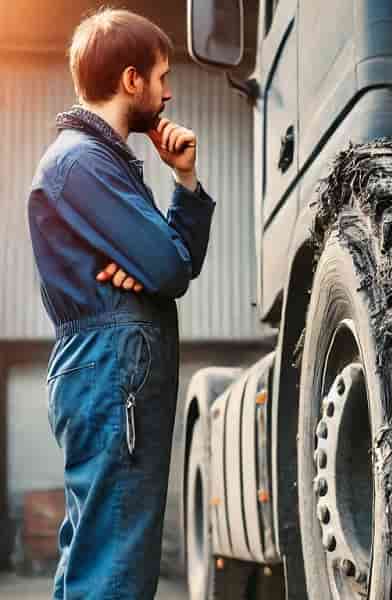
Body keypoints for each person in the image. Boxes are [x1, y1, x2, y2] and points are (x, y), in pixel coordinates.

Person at [26, 8, 215, 599]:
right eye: (161, 77)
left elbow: (171, 263)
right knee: (113, 570)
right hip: (113, 369)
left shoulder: (103, 163)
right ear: (131, 80)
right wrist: (152, 266)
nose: (168, 91)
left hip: (113, 365)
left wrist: (184, 182)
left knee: (96, 558)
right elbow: (168, 267)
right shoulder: (82, 162)